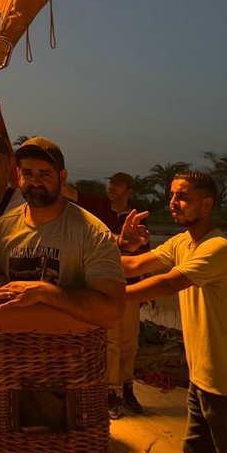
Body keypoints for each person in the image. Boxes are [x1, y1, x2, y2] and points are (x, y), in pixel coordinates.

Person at [0, 137, 125, 327]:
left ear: (62, 178)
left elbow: (113, 312)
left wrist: (46, 293)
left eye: (45, 174)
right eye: (28, 173)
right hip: (14, 347)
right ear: (18, 175)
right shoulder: (4, 228)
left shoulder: (92, 233)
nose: (35, 182)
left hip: (72, 350)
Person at [120, 172, 227, 453]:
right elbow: (133, 264)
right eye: (172, 196)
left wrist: (108, 296)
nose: (173, 203)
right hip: (200, 378)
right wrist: (121, 245)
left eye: (183, 197)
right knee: (195, 451)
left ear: (206, 205)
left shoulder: (217, 248)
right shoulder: (182, 242)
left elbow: (167, 283)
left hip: (223, 383)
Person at [105, 171, 145, 418]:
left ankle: (127, 385)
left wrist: (148, 288)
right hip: (108, 285)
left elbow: (144, 253)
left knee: (130, 339)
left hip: (130, 286)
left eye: (118, 185)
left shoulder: (139, 216)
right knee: (111, 340)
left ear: (129, 191)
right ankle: (111, 391)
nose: (111, 188)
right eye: (111, 183)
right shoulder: (99, 210)